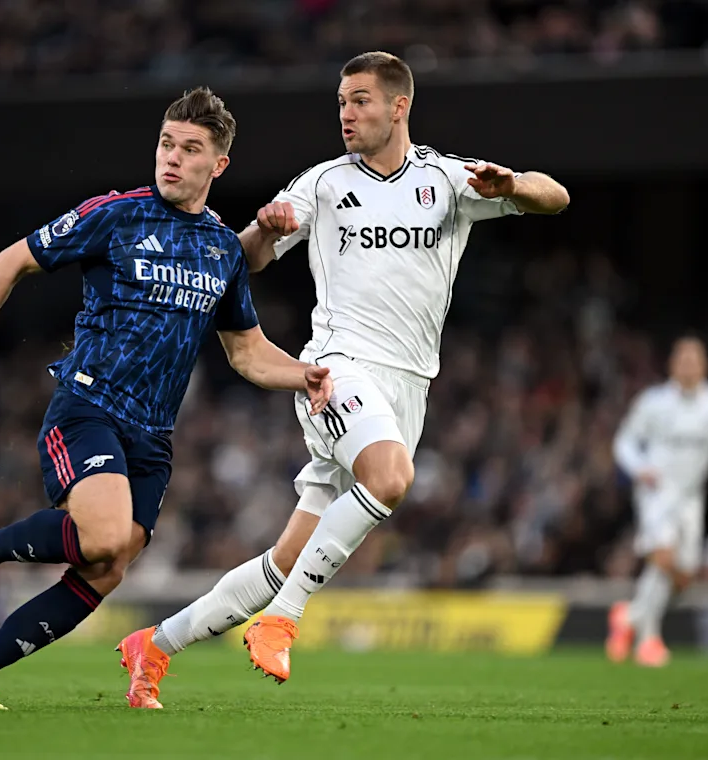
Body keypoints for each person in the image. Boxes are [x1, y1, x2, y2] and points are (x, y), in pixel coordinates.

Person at [116, 51, 570, 704]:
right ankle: (283, 622)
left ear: (398, 107)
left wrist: (514, 187)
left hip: (407, 389)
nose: (347, 114)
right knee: (389, 478)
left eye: (359, 100)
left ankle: (153, 647)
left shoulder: (447, 181)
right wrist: (266, 235)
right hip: (335, 373)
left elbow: (557, 198)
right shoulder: (325, 184)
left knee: (282, 562)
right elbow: (244, 259)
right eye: (341, 103)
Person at [0, 87, 333, 711]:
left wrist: (305, 374)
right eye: (166, 144)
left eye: (190, 149)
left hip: (153, 439)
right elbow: (7, 263)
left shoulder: (221, 250)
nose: (172, 159)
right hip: (88, 407)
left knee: (107, 567)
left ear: (218, 166)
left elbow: (246, 353)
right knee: (103, 536)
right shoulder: (115, 214)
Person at [607, 336, 708, 666]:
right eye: (682, 359)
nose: (687, 365)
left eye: (694, 360)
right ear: (672, 364)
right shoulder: (653, 402)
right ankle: (649, 640)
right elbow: (624, 441)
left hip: (691, 498)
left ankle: (628, 617)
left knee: (683, 576)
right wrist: (640, 468)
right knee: (664, 556)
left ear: (705, 366)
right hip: (657, 493)